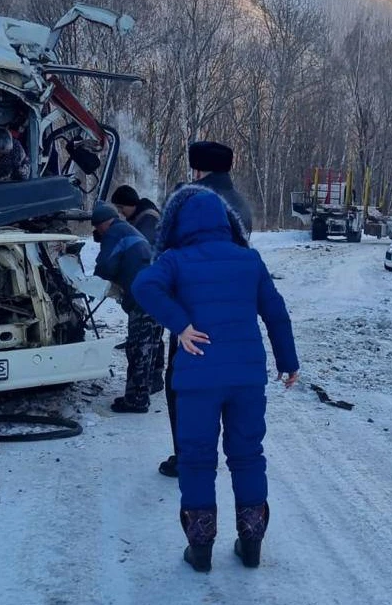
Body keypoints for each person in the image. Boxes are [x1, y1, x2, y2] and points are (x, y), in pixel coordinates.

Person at [132, 185, 299, 573]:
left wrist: (180, 326)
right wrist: (288, 361)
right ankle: (252, 543)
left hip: (196, 380)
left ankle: (201, 550)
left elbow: (143, 286)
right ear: (227, 222)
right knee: (247, 456)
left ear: (180, 222)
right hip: (246, 378)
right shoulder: (249, 259)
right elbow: (276, 313)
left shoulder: (175, 259)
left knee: (196, 460)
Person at [156, 141, 255, 479]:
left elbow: (169, 253)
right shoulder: (241, 203)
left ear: (198, 169)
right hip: (233, 314)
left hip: (192, 312)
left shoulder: (190, 200)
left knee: (182, 385)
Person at [92, 202, 165, 413]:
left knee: (138, 347)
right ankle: (151, 384)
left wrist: (93, 282)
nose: (98, 233)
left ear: (104, 223)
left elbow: (106, 266)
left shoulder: (115, 232)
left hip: (143, 296)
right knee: (151, 342)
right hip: (159, 290)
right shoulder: (128, 229)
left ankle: (136, 400)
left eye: (98, 228)